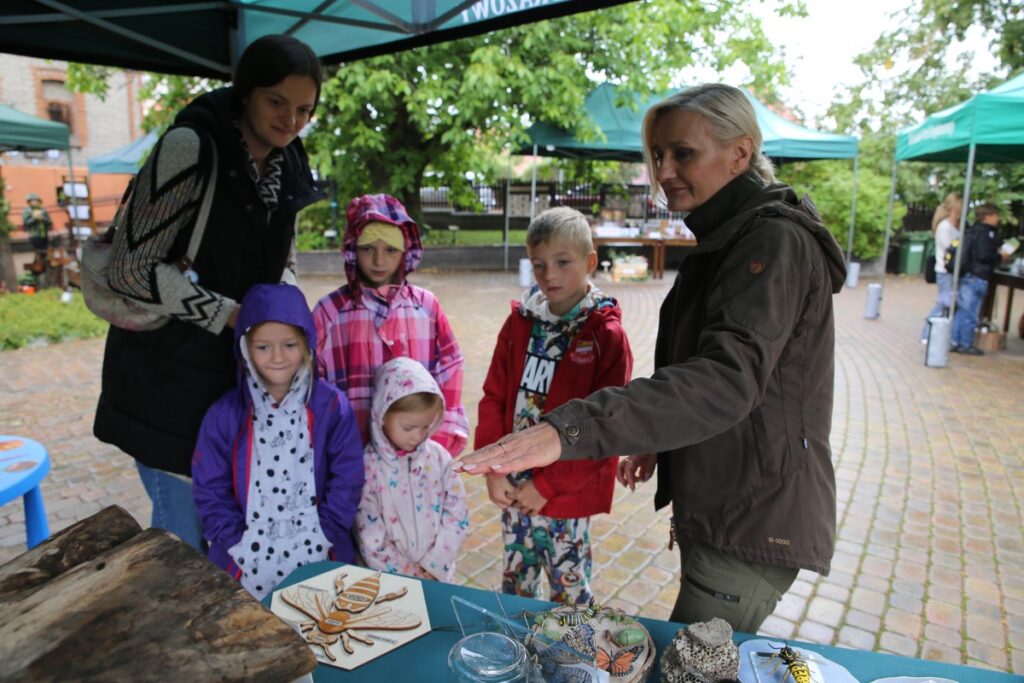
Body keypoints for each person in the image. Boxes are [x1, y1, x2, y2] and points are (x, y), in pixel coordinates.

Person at [456, 83, 846, 634]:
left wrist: (564, 431)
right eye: (658, 155)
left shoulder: (771, 242)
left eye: (682, 153)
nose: (663, 171)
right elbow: (706, 367)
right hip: (726, 497)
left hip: (753, 510)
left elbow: (725, 379)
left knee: (691, 664)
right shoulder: (728, 237)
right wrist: (659, 438)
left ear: (740, 151)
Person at [93, 35, 325, 550]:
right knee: (183, 550)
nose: (291, 120)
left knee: (225, 539)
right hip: (165, 383)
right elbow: (130, 270)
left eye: (304, 109)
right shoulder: (190, 147)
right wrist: (232, 316)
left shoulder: (287, 162)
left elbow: (277, 258)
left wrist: (285, 315)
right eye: (277, 102)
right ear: (246, 92)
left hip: (231, 383)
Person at [476, 206, 633, 604]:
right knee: (516, 583)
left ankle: (569, 660)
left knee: (569, 590)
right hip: (513, 485)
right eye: (539, 264)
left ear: (590, 262)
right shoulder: (519, 324)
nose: (550, 275)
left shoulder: (605, 335)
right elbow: (494, 396)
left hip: (564, 493)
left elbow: (606, 426)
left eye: (563, 262)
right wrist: (492, 469)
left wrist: (546, 485)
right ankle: (518, 654)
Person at [192, 284, 364, 599]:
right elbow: (210, 488)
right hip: (246, 563)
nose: (277, 357)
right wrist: (235, 543)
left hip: (319, 551)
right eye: (263, 347)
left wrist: (328, 529)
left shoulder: (331, 406)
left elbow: (348, 475)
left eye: (289, 344)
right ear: (245, 348)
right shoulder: (225, 414)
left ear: (307, 344)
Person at [313, 194, 468, 457]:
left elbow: (450, 368)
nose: (379, 261)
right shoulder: (330, 312)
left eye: (390, 250)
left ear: (405, 252)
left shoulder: (427, 308)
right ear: (352, 249)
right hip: (351, 454)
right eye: (367, 249)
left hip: (416, 454)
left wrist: (437, 438)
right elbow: (311, 381)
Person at [355, 357, 468, 582]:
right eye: (408, 427)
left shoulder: (439, 458)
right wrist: (410, 575)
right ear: (382, 416)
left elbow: (457, 513)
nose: (418, 436)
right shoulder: (367, 467)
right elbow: (369, 533)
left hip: (439, 577)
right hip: (386, 582)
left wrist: (434, 565)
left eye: (427, 426)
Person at [951, 203, 1006, 356]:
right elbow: (983, 255)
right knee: (971, 312)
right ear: (988, 216)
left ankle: (955, 340)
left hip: (967, 274)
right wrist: (999, 256)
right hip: (977, 275)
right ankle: (966, 343)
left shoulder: (971, 231)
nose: (998, 219)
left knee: (963, 310)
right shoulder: (986, 233)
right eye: (996, 215)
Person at [920, 192, 962, 344]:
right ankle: (926, 333)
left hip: (951, 271)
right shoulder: (944, 227)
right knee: (943, 303)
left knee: (947, 304)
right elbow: (950, 249)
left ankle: (937, 334)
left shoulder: (954, 225)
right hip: (945, 271)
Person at [22, 193, 53, 262]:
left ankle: (41, 267)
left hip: (44, 234)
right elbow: (26, 223)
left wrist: (43, 219)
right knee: (40, 252)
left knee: (44, 252)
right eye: (32, 201)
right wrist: (35, 218)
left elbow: (49, 222)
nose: (34, 202)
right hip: (34, 235)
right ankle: (37, 268)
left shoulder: (43, 210)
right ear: (29, 202)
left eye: (35, 201)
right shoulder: (27, 211)